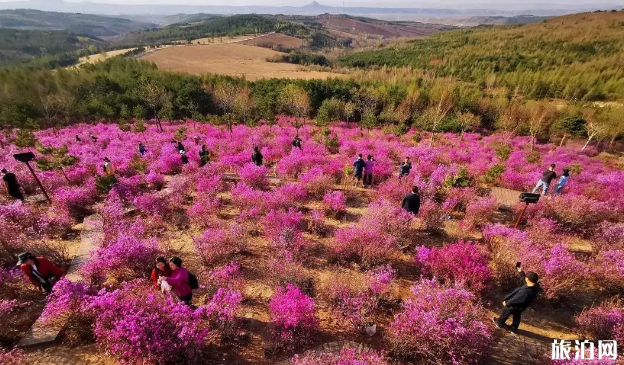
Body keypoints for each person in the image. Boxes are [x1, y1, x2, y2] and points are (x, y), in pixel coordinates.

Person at [493, 267, 540, 335]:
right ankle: (513, 329)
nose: (525, 278)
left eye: (526, 277)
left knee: (506, 310)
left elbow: (517, 298)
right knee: (517, 316)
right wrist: (521, 272)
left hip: (515, 305)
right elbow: (525, 280)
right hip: (522, 306)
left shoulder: (526, 291)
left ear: (528, 279)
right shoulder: (535, 286)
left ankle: (499, 323)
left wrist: (507, 302)